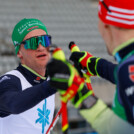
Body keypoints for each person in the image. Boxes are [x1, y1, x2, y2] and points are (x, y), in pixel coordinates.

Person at [46, 0, 134, 133]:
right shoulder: (127, 66)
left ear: (106, 25)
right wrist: (94, 64)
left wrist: (78, 92)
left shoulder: (127, 70)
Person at [0, 18, 56, 134]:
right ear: (19, 52)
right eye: (33, 42)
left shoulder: (50, 77)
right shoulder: (10, 80)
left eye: (45, 40)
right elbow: (12, 104)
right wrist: (52, 85)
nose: (41, 47)